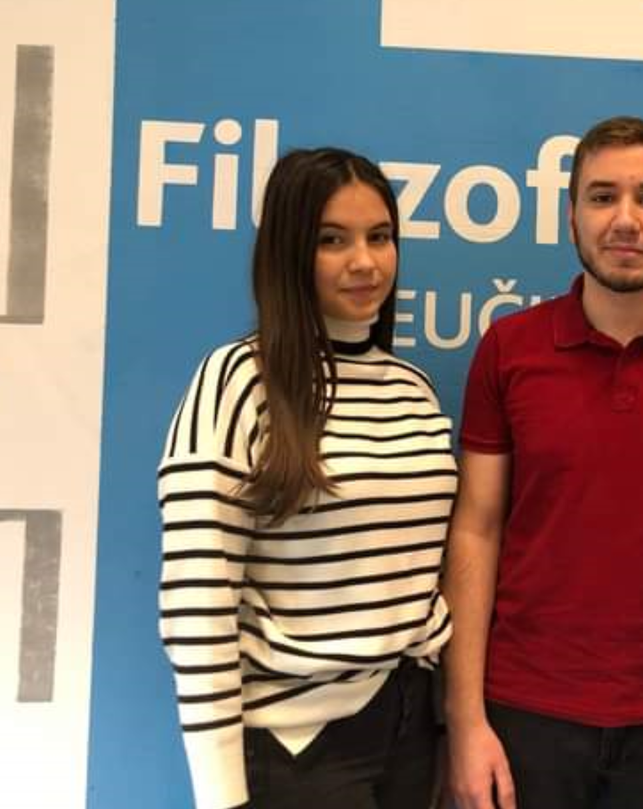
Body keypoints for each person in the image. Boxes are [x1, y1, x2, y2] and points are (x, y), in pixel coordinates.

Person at [443, 116, 643, 809]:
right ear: (571, 215)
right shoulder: (509, 349)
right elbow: (476, 527)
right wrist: (466, 721)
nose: (626, 219)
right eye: (602, 196)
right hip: (523, 713)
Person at [157, 147, 455, 809]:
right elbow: (198, 603)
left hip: (410, 727)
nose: (365, 262)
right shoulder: (239, 382)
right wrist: (222, 794)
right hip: (298, 747)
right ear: (289, 251)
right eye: (332, 240)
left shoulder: (414, 389)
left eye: (380, 236)